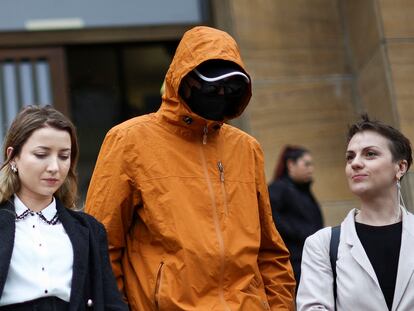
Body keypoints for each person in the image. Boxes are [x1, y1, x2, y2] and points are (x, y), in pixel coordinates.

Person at [85, 26, 296, 310]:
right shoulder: (129, 140)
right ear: (182, 80)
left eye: (230, 88)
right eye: (211, 86)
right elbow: (101, 245)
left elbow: (270, 251)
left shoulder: (247, 148)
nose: (220, 94)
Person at [0, 105, 127, 310]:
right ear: (13, 156)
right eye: (41, 154)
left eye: (64, 156)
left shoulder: (89, 230)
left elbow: (111, 302)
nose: (54, 167)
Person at [297, 114, 414, 311]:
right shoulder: (322, 244)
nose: (355, 163)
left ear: (400, 167)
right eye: (350, 157)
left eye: (370, 154)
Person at [268, 145, 323, 286]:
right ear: (291, 164)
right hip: (294, 263)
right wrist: (303, 234)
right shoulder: (278, 189)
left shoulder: (302, 190)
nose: (311, 169)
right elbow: (272, 221)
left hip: (310, 258)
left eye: (312, 164)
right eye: (306, 164)